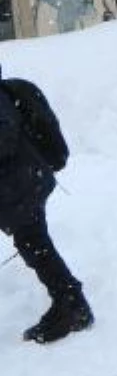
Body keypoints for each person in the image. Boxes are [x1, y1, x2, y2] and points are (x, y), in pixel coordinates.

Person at [0, 68, 93, 344]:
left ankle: (73, 305)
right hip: (24, 180)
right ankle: (72, 302)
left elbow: (4, 135)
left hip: (18, 185)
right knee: (34, 243)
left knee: (34, 244)